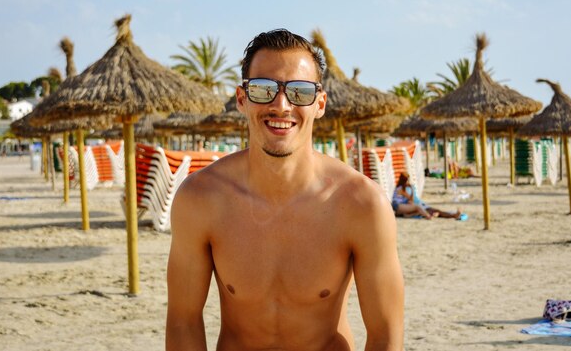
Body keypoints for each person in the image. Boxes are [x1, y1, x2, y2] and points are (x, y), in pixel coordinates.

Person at [166, 29, 404, 351]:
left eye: (300, 92)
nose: (281, 105)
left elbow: (385, 336)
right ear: (241, 99)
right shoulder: (201, 199)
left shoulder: (361, 204)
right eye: (264, 89)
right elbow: (183, 323)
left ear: (319, 104)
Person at [392, 172, 464, 220]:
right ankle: (430, 217)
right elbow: (411, 199)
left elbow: (410, 200)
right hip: (399, 207)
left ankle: (453, 215)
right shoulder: (400, 189)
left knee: (435, 211)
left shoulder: (401, 188)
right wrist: (411, 189)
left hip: (403, 207)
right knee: (432, 211)